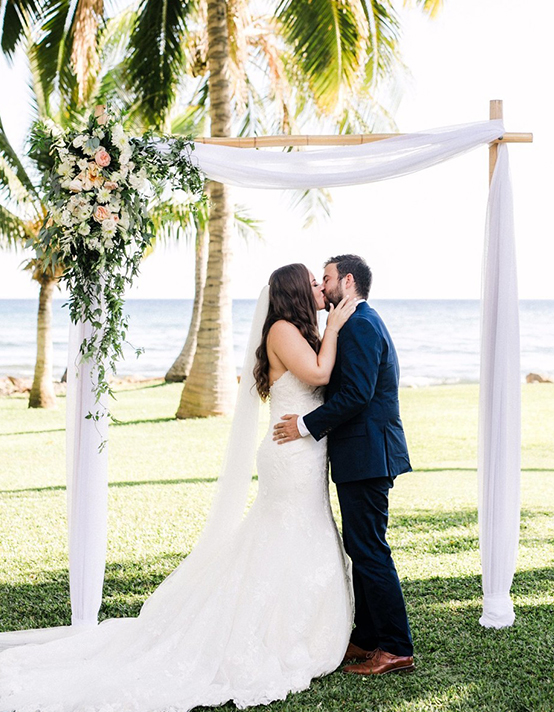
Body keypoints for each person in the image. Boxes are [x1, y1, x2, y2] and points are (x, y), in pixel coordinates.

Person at [0, 263, 357, 712]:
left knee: (299, 535)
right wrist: (338, 323)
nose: (317, 287)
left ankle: (304, 626)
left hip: (305, 454)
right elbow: (321, 375)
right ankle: (272, 633)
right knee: (284, 536)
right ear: (292, 292)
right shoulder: (283, 329)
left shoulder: (298, 330)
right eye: (309, 281)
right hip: (289, 459)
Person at [273, 254, 414, 676]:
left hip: (369, 455)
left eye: (328, 278)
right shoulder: (352, 324)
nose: (323, 285)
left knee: (370, 550)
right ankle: (367, 637)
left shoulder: (361, 325)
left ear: (347, 281)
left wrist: (304, 425)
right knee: (361, 547)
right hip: (360, 454)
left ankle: (395, 647)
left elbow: (356, 395)